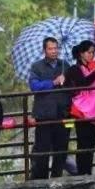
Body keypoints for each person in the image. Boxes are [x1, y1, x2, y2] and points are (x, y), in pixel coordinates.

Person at [66, 40, 95, 176]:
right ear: (81, 54)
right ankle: (82, 173)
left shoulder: (93, 67)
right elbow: (83, 83)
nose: (91, 55)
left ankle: (88, 173)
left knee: (91, 145)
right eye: (89, 52)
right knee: (83, 144)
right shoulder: (74, 69)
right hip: (81, 113)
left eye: (93, 52)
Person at [27, 37, 72, 180]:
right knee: (43, 149)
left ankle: (57, 177)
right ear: (44, 50)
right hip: (44, 115)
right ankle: (41, 180)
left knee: (62, 148)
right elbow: (35, 87)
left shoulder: (65, 65)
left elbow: (73, 86)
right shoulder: (37, 67)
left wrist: (67, 80)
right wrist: (53, 82)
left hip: (64, 113)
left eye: (56, 48)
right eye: (50, 48)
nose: (54, 51)